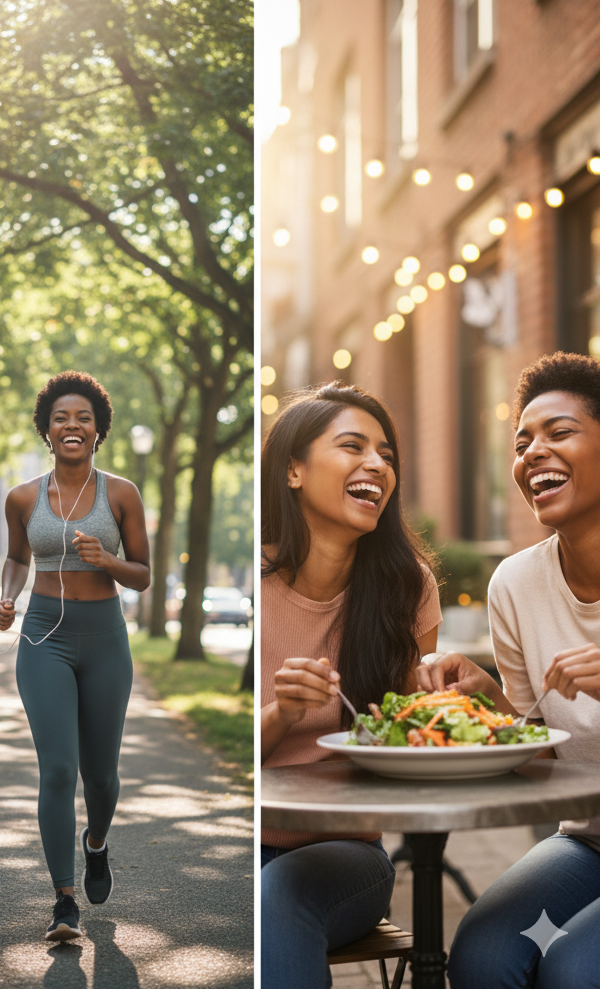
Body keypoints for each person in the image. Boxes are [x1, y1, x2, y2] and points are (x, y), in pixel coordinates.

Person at [417, 352, 600, 989]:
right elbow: (543, 758)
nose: (533, 453)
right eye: (522, 444)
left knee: (572, 967)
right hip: (589, 844)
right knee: (482, 955)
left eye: (559, 432)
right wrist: (489, 700)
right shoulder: (515, 585)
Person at [260, 382, 441, 988]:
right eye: (353, 446)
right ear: (293, 470)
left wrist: (436, 709)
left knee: (277, 898)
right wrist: (282, 713)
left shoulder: (407, 588)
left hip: (348, 857)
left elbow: (417, 747)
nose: (377, 465)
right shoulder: (254, 582)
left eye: (386, 455)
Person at [0, 371, 150, 942]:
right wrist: (7, 598)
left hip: (105, 639)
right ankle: (63, 902)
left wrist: (107, 560)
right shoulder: (22, 498)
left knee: (100, 776)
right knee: (58, 769)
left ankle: (96, 844)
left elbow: (143, 575)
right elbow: (16, 559)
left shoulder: (122, 494)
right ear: (47, 429)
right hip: (43, 637)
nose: (72, 426)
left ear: (98, 430)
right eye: (61, 418)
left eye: (83, 418)